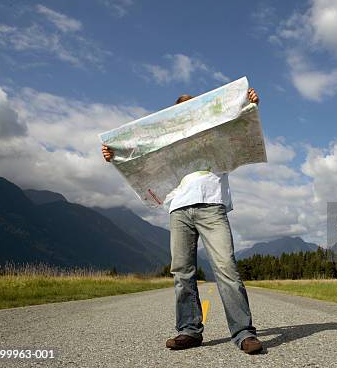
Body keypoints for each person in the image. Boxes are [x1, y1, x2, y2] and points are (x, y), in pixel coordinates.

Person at [101, 88, 263, 355]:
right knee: (182, 273)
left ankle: (244, 332)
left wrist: (249, 104)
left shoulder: (214, 131)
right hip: (178, 209)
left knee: (226, 268)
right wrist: (115, 155)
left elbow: (239, 124)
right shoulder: (167, 141)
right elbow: (140, 155)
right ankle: (189, 331)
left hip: (212, 205)